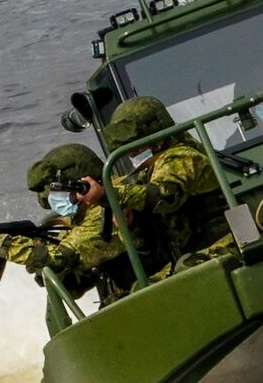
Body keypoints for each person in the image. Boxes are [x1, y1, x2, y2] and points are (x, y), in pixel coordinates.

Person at [0, 143, 137, 301]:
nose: (54, 197)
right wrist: (37, 245)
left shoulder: (105, 210)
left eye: (58, 189)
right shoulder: (81, 216)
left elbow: (60, 258)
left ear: (81, 184)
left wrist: (1, 243)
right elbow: (69, 276)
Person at [77, 96, 230, 269]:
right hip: (194, 255)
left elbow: (164, 196)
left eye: (135, 147)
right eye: (127, 149)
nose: (131, 155)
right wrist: (130, 225)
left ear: (158, 139)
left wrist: (107, 195)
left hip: (226, 244)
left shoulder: (182, 157)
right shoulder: (148, 171)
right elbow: (148, 247)